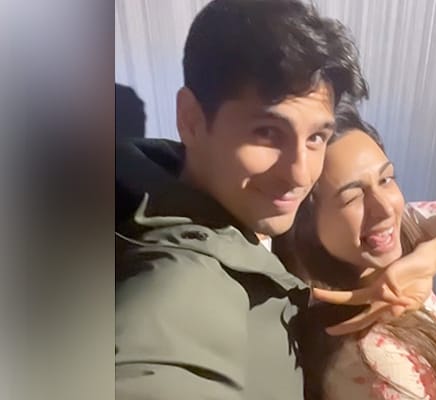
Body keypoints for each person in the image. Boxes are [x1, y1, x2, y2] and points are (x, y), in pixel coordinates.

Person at [115, 1, 368, 399]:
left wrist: (423, 259)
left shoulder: (227, 196)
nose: (301, 174)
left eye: (317, 137)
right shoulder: (181, 282)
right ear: (191, 119)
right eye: (267, 132)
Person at [274, 98, 436, 399]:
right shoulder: (379, 361)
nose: (385, 209)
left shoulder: (401, 231)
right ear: (306, 224)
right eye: (352, 197)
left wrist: (430, 257)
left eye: (386, 179)